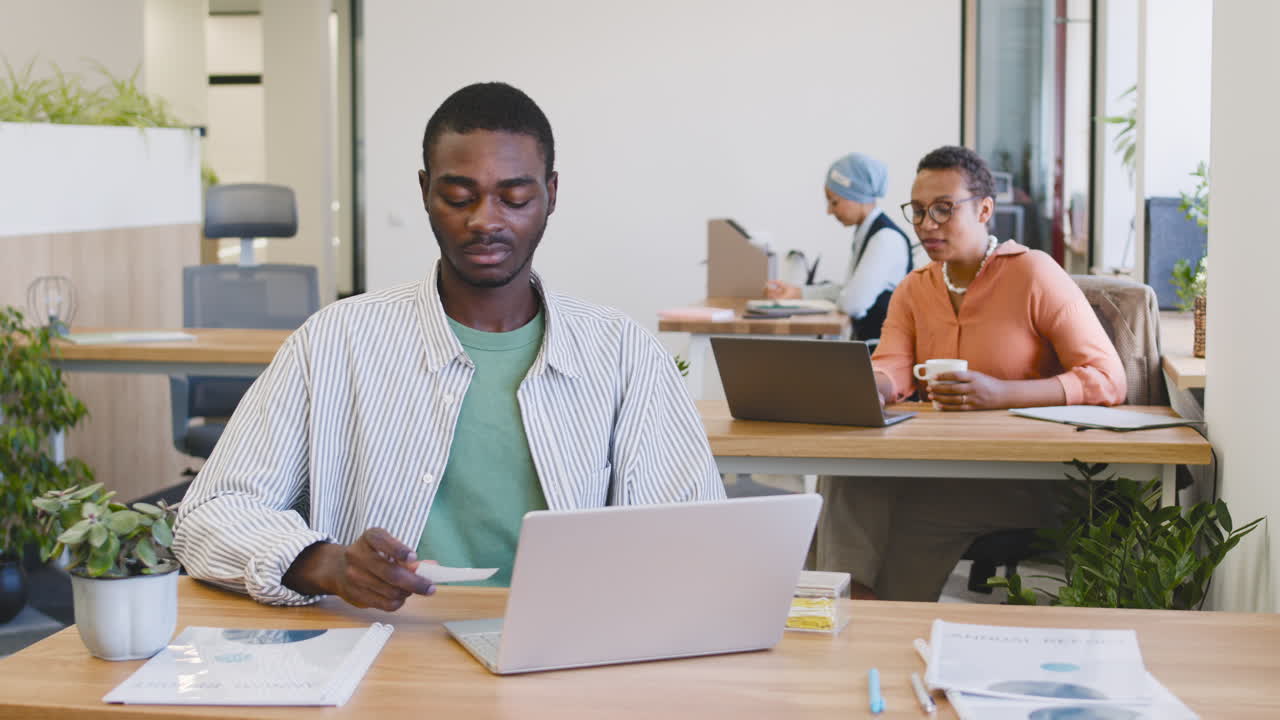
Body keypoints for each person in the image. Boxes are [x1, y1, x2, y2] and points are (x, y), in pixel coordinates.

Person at [172, 82, 725, 610]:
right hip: (383, 646)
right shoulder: (334, 343)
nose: (485, 221)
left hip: (568, 645)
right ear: (425, 192)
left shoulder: (622, 353)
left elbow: (696, 535)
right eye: (459, 197)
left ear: (551, 194)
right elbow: (210, 513)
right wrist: (326, 564)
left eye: (514, 198)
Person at [815, 145, 1126, 602]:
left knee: (891, 507)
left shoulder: (1033, 274)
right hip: (941, 463)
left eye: (944, 209)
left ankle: (862, 616)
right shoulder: (914, 289)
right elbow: (891, 367)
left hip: (1026, 475)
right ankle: (854, 608)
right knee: (845, 475)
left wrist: (1003, 393)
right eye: (918, 211)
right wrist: (865, 389)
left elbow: (1107, 377)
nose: (927, 224)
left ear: (984, 210)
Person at [764, 152, 924, 340]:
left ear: (855, 195)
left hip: (881, 350)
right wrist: (796, 292)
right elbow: (848, 290)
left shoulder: (885, 239)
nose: (829, 210)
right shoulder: (866, 233)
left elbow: (852, 303)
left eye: (834, 201)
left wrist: (835, 296)